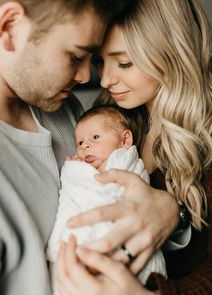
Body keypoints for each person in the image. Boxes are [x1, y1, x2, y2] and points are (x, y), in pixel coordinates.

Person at [56, 0, 212, 294]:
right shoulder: (111, 120)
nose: (105, 80)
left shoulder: (206, 134)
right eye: (101, 61)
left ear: (172, 51)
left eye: (124, 62)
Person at [0, 1, 129, 294]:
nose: (86, 76)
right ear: (9, 27)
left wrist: (169, 213)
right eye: (75, 56)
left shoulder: (62, 108)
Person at [47, 105, 166, 293]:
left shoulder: (127, 164)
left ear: (125, 140)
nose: (85, 146)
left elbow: (134, 193)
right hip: (82, 243)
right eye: (80, 142)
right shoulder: (80, 169)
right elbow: (74, 190)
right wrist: (76, 170)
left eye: (95, 138)